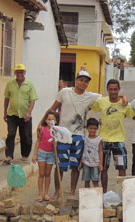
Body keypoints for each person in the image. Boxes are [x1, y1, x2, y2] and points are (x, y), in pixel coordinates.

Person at [46, 70, 101, 198]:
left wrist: (123, 98)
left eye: (86, 81)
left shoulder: (91, 96)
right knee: (60, 165)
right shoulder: (65, 92)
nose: (83, 83)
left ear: (88, 84)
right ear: (76, 80)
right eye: (81, 80)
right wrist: (42, 124)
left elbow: (109, 98)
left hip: (79, 135)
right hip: (62, 134)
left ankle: (71, 191)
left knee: (75, 166)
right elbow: (52, 108)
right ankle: (57, 191)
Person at [90, 79, 135, 193]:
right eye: (111, 89)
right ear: (107, 90)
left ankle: (122, 194)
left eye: (115, 89)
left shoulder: (126, 105)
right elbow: (90, 106)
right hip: (103, 140)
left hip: (119, 141)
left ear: (119, 89)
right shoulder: (102, 102)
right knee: (103, 169)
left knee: (122, 168)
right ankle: (104, 193)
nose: (113, 92)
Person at [3, 63, 38, 164]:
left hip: (25, 115)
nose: (19, 74)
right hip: (12, 114)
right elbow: (6, 98)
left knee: (26, 136)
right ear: (15, 73)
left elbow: (32, 100)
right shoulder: (10, 84)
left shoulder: (29, 85)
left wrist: (28, 113)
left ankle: (25, 154)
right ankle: (9, 156)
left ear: (24, 73)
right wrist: (5, 112)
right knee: (11, 134)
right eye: (17, 72)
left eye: (21, 72)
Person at [32, 111, 59, 202]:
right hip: (42, 153)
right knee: (41, 174)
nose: (50, 121)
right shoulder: (42, 129)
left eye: (53, 119)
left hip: (51, 154)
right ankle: (40, 194)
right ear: (46, 120)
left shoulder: (56, 131)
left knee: (48, 174)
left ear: (56, 121)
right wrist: (35, 155)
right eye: (48, 119)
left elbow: (56, 144)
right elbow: (38, 142)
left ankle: (46, 194)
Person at [78, 118, 103, 188]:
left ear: (97, 129)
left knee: (95, 181)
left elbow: (100, 152)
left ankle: (97, 196)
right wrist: (80, 163)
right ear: (87, 128)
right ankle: (87, 197)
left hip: (95, 164)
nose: (93, 130)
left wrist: (100, 164)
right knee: (86, 181)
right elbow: (83, 150)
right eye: (91, 128)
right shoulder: (85, 138)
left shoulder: (99, 140)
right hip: (86, 163)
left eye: (95, 129)